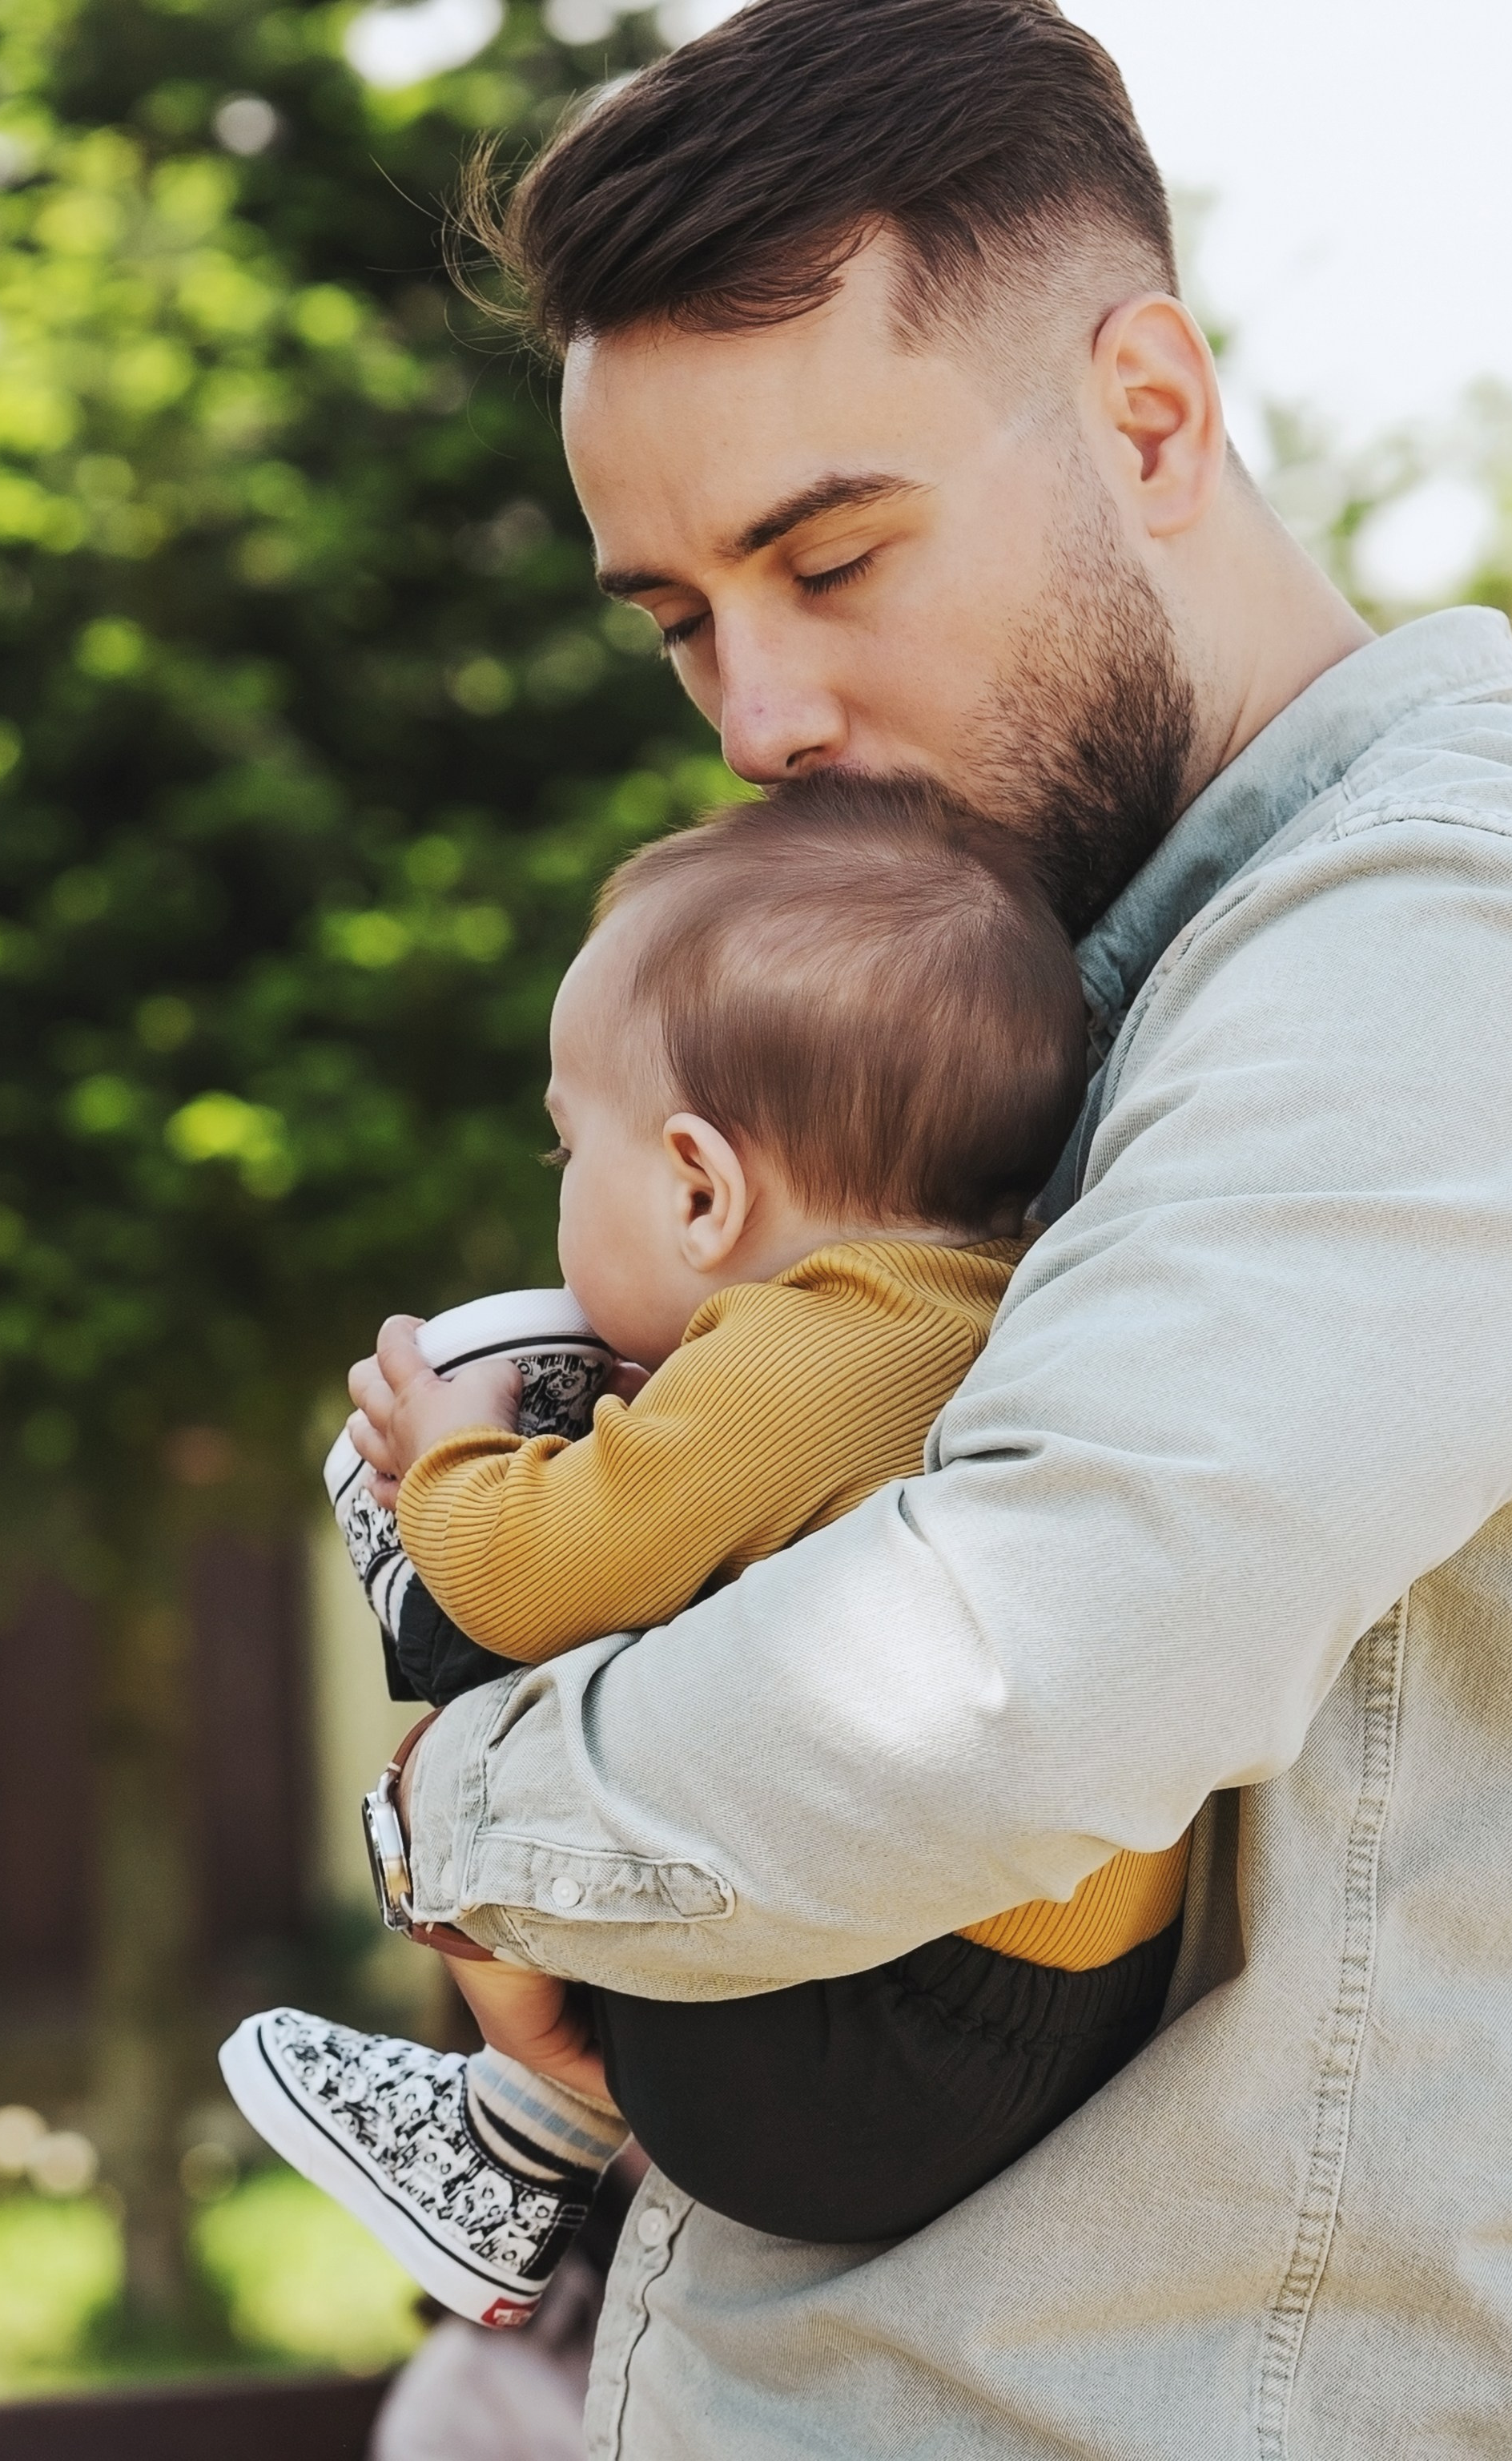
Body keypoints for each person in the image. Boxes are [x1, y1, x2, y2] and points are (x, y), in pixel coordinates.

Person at [381, 1, 1512, 2453]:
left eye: (828, 556)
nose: (760, 713)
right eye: (686, 616)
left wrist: (467, 1827)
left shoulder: (1440, 944)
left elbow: (998, 1688)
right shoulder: (1067, 980)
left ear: (1150, 412)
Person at [223, 783, 1189, 2322]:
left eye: (567, 1155)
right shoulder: (974, 1316)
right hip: (1021, 2017)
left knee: (509, 1651)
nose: (559, 1198)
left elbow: (545, 1572)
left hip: (850, 2060)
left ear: (698, 1186)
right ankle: (514, 2145)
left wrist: (452, 1459)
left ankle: (508, 2140)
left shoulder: (801, 1356)